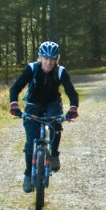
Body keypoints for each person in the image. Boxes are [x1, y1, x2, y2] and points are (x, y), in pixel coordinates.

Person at [9, 41, 80, 193]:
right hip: (33, 105)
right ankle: (28, 175)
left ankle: (54, 154)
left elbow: (72, 93)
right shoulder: (32, 68)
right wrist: (14, 104)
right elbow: (15, 88)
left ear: (57, 59)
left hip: (52, 104)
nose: (48, 62)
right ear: (40, 58)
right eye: (45, 58)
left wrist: (73, 108)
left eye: (52, 59)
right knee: (30, 142)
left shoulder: (60, 71)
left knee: (55, 125)